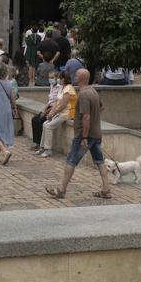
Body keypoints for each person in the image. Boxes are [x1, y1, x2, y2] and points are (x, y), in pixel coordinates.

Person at [45, 68, 111, 200]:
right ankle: (106, 189)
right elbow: (101, 108)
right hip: (96, 133)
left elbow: (86, 117)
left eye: (76, 75)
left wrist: (85, 137)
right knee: (100, 161)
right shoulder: (93, 91)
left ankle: (61, 190)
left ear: (80, 78)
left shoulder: (84, 94)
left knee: (71, 160)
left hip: (84, 135)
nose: (74, 76)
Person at [34, 70, 76, 158]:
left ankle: (48, 150)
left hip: (66, 114)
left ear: (64, 79)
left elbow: (63, 105)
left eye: (59, 78)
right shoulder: (61, 88)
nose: (58, 80)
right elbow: (56, 103)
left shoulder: (68, 89)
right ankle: (42, 147)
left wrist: (52, 114)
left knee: (49, 126)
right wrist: (51, 113)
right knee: (45, 124)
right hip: (60, 113)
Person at [31, 68, 62, 150]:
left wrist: (47, 112)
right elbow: (49, 100)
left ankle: (41, 144)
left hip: (54, 109)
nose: (50, 80)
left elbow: (56, 102)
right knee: (34, 119)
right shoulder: (52, 86)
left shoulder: (60, 88)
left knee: (41, 121)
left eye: (52, 77)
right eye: (49, 77)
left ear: (56, 78)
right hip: (49, 106)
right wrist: (44, 110)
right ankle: (37, 142)